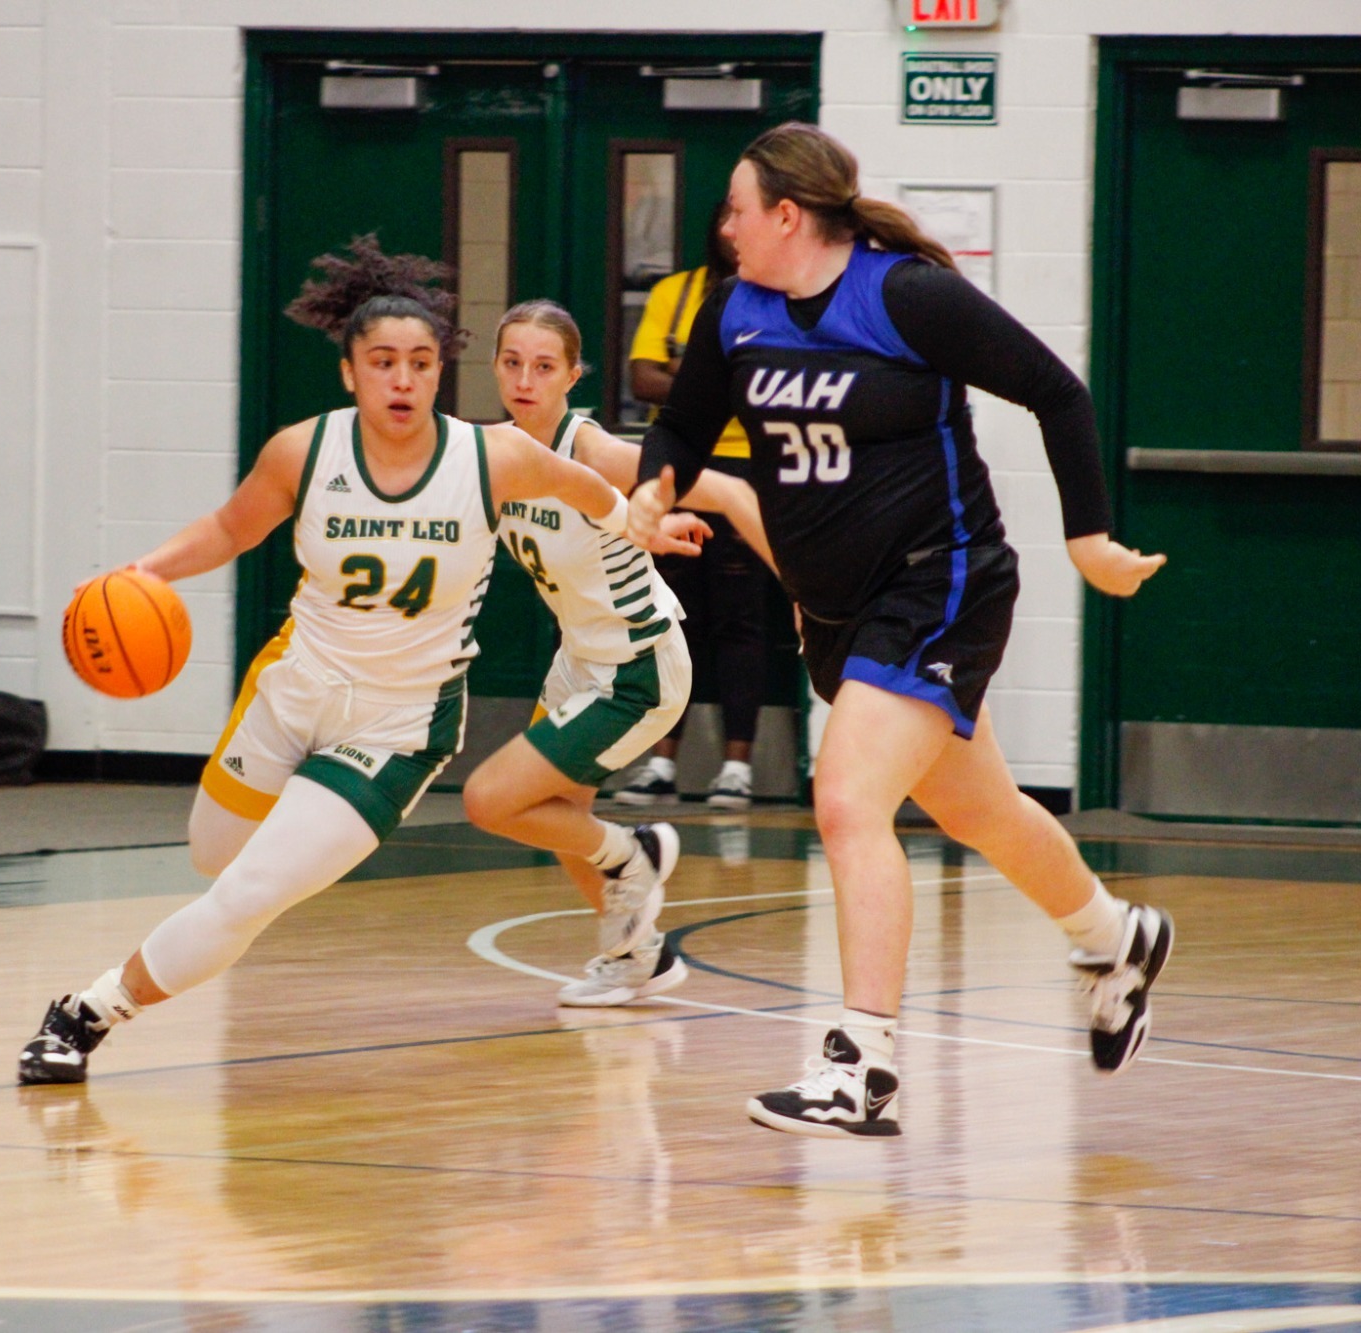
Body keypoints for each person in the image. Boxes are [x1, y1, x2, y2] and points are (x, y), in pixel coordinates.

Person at [17, 237, 694, 1085]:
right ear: (351, 373)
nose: (403, 380)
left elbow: (592, 489)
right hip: (293, 687)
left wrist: (645, 523)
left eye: (419, 362)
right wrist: (144, 572)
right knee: (212, 857)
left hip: (397, 727)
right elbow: (231, 529)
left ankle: (86, 1012)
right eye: (383, 362)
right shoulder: (303, 451)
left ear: (440, 373)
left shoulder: (495, 457)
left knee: (248, 895)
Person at [629, 123, 1171, 1139]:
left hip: (941, 585)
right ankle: (1115, 934)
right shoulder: (733, 309)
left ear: (786, 215)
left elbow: (1055, 390)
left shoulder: (903, 295)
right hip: (832, 612)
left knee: (844, 802)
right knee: (980, 808)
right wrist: (649, 492)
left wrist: (1088, 537)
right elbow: (679, 428)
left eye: (737, 210)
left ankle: (859, 1065)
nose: (725, 227)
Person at [458, 299, 771, 1008]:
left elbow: (722, 484)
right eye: (512, 363)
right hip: (579, 656)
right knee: (565, 819)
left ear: (573, 375)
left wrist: (669, 512)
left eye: (544, 366)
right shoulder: (493, 451)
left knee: (489, 799)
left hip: (638, 669)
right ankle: (640, 956)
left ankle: (639, 853)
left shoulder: (590, 449)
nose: (525, 379)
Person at [619, 202, 774, 811]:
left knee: (742, 620)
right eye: (726, 219)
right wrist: (717, 379)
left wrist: (695, 376)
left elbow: (756, 389)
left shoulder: (774, 304)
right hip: (678, 471)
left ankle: (737, 767)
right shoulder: (675, 294)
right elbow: (642, 380)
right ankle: (661, 761)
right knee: (669, 617)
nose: (733, 233)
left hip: (750, 470)